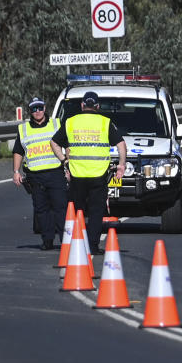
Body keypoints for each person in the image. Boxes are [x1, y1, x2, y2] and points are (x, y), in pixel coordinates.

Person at [50, 90, 127, 255]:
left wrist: (64, 160)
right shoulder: (105, 122)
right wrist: (121, 165)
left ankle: (75, 244)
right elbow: (121, 145)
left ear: (82, 105)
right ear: (97, 106)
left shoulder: (71, 122)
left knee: (77, 212)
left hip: (77, 175)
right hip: (98, 175)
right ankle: (92, 246)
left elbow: (54, 142)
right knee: (96, 212)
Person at [12, 97, 68, 250]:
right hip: (35, 176)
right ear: (30, 111)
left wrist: (69, 166)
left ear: (45, 108)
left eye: (40, 108)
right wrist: (16, 171)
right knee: (41, 210)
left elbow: (67, 145)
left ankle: (66, 241)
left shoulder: (56, 124)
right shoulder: (24, 129)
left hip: (56, 173)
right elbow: (18, 151)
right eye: (34, 109)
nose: (38, 112)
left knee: (60, 208)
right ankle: (47, 241)